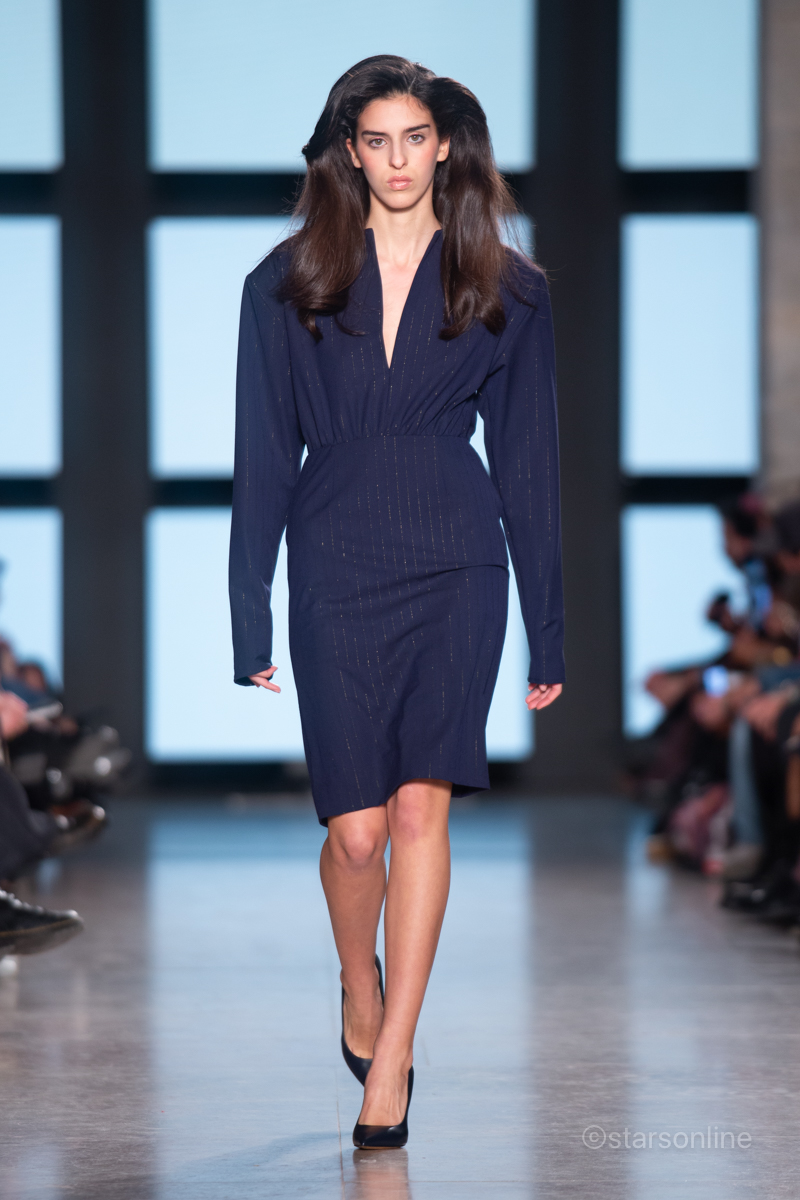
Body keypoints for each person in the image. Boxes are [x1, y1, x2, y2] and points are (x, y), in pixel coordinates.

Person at [228, 56, 564, 1148]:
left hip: (457, 561)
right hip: (334, 559)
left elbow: (529, 466)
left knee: (421, 809)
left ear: (445, 145)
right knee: (357, 832)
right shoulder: (287, 281)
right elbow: (260, 458)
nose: (398, 160)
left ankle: (396, 1055)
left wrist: (548, 628)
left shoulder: (506, 285)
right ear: (348, 152)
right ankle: (357, 981)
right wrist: (249, 611)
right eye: (376, 140)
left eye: (415, 138)